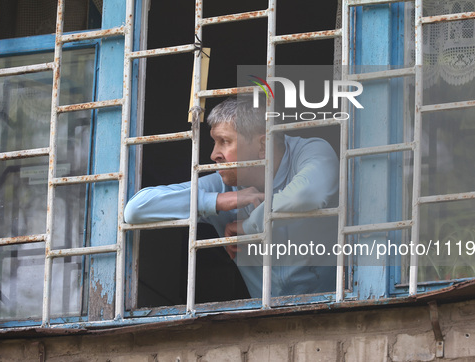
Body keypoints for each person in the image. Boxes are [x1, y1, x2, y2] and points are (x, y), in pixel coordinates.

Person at [124, 96, 339, 298]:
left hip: (337, 309)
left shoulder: (310, 151)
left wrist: (247, 226)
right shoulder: (223, 185)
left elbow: (308, 194)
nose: (213, 154)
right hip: (270, 321)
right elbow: (136, 209)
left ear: (262, 146)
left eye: (224, 141)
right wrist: (216, 201)